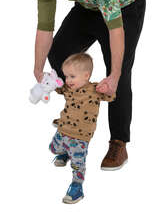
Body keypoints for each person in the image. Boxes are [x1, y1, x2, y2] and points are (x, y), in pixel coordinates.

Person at [30, 0, 146, 172]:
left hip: (124, 5)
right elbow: (44, 28)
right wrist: (37, 69)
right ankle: (77, 110)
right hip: (89, 4)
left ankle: (118, 142)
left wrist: (113, 75)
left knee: (118, 73)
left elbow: (115, 29)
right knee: (59, 52)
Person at [49, 52, 116, 203]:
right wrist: (51, 82)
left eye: (72, 76)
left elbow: (111, 97)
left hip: (81, 136)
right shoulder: (67, 87)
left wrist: (107, 89)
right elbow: (58, 88)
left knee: (77, 164)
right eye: (66, 76)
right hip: (62, 129)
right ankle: (65, 152)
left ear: (86, 75)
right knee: (53, 148)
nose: (68, 80)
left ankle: (77, 187)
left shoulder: (95, 89)